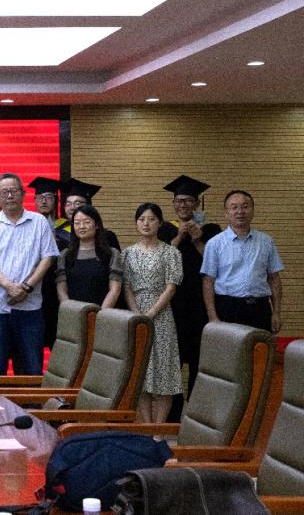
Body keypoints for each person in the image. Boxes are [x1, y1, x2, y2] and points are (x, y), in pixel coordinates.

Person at [0, 173, 59, 375]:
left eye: (14, 191)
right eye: (4, 192)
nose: (9, 196)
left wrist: (27, 288)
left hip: (30, 307)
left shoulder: (39, 222)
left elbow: (48, 258)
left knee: (32, 368)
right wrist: (9, 286)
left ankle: (31, 398)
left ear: (23, 193)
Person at [156, 175, 221, 405]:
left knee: (199, 358)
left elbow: (215, 264)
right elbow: (161, 259)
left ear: (197, 203)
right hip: (173, 302)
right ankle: (173, 410)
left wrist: (196, 240)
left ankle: (195, 407)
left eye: (188, 201)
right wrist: (180, 235)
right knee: (172, 358)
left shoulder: (211, 230)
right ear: (173, 204)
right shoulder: (164, 229)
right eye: (179, 201)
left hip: (200, 303)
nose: (183, 205)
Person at [121, 203, 183, 423]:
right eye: (141, 219)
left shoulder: (171, 252)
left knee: (164, 373)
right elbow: (126, 287)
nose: (146, 223)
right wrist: (138, 314)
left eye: (151, 219)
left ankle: (159, 429)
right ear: (136, 223)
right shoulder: (127, 253)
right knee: (140, 374)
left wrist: (151, 314)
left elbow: (171, 288)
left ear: (160, 223)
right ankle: (147, 427)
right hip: (136, 316)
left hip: (162, 315)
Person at [202, 190, 283, 333]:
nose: (240, 211)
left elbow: (274, 278)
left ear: (252, 210)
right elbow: (208, 281)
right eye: (234, 207)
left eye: (245, 206)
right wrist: (213, 317)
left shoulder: (266, 241)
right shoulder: (214, 243)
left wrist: (276, 312)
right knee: (228, 348)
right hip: (227, 308)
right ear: (226, 213)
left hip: (260, 308)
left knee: (259, 347)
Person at [56, 205, 122, 307]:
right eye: (77, 223)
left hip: (104, 313)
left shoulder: (112, 254)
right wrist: (69, 311)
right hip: (72, 312)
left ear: (97, 225)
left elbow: (115, 289)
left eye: (87, 222)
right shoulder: (65, 255)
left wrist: (100, 314)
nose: (82, 226)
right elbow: (61, 290)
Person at [28, 177, 66, 348]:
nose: (44, 201)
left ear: (56, 200)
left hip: (57, 287)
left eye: (49, 197)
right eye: (40, 197)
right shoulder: (28, 225)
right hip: (33, 287)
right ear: (35, 200)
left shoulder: (67, 228)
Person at [56, 178, 120, 249]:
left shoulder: (108, 237)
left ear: (88, 206)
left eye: (77, 203)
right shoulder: (57, 235)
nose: (72, 207)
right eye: (68, 203)